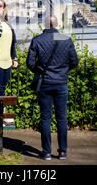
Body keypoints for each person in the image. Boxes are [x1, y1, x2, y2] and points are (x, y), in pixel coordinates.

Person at [26, 15, 78, 161]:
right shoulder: (66, 39)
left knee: (46, 118)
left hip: (45, 83)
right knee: (61, 118)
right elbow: (74, 61)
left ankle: (47, 151)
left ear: (45, 24)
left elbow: (30, 63)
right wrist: (63, 71)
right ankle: (62, 151)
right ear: (57, 24)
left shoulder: (37, 40)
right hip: (61, 83)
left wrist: (40, 71)